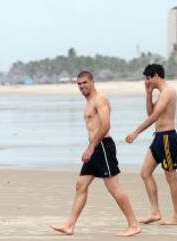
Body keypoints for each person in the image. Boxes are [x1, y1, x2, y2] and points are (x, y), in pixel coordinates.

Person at [50, 71, 141, 237]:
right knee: (81, 185)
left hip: (103, 147)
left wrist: (91, 147)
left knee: (113, 187)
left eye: (85, 82)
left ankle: (133, 224)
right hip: (94, 148)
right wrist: (91, 147)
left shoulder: (100, 100)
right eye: (79, 84)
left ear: (92, 81)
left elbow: (106, 125)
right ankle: (69, 225)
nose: (82, 86)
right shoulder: (89, 102)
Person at [125, 64, 177, 225]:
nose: (147, 81)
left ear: (156, 76)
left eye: (148, 78)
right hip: (158, 137)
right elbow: (150, 112)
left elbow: (155, 116)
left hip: (167, 137)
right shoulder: (160, 94)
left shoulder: (168, 92)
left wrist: (136, 132)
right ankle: (155, 212)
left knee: (171, 176)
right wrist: (148, 94)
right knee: (145, 173)